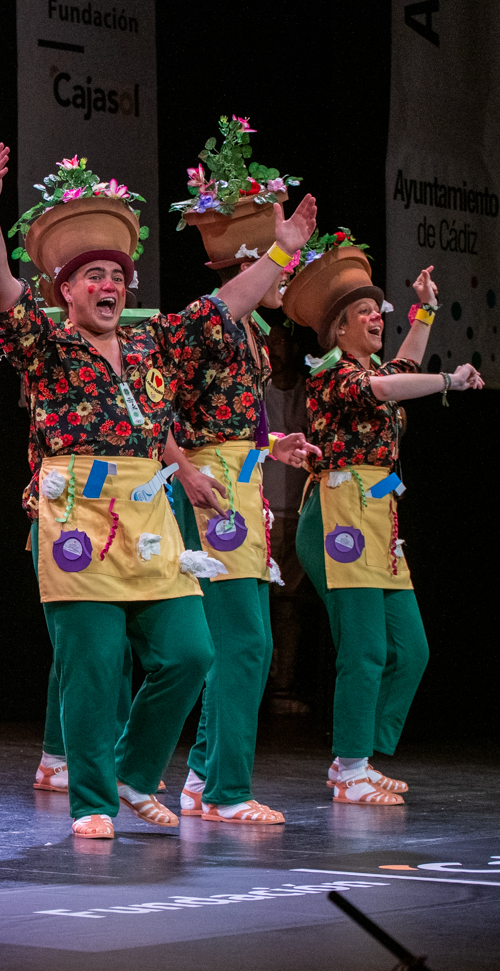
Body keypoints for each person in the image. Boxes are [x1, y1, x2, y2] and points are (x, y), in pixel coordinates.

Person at [0, 143, 288, 839]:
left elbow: (221, 306)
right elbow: (0, 285)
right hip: (76, 517)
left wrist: (283, 253)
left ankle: (132, 772)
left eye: (115, 276)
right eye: (90, 276)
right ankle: (91, 802)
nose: (106, 285)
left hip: (149, 517)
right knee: (91, 666)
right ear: (65, 292)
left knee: (190, 653)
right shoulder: (49, 346)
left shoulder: (152, 347)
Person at [284, 238, 482, 804]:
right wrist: (449, 382)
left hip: (380, 520)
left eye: (378, 311)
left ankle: (360, 755)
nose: (376, 318)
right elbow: (388, 385)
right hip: (337, 518)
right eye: (364, 313)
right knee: (365, 650)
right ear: (338, 330)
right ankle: (350, 767)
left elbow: (403, 366)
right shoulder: (331, 376)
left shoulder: (374, 372)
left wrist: (425, 308)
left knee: (410, 648)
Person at [164, 196, 322, 826]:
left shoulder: (254, 336)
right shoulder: (208, 318)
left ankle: (204, 778)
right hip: (212, 489)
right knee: (245, 642)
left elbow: (223, 419)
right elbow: (156, 409)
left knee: (244, 643)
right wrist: (184, 465)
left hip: (242, 484)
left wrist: (272, 445)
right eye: (282, 262)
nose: (290, 274)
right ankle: (227, 790)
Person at [261, 324, 315, 715]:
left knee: (289, 603)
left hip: (297, 509)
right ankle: (257, 685)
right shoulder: (256, 388)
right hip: (260, 512)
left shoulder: (308, 392)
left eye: (281, 342)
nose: (275, 349)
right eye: (269, 342)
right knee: (257, 600)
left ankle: (284, 687)